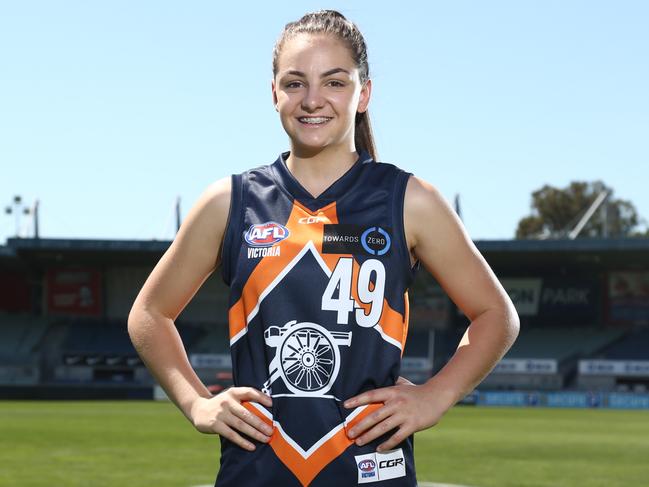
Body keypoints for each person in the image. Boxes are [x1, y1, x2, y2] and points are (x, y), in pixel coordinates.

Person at [127, 9, 519, 487]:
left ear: (364, 93)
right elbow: (149, 314)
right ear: (274, 93)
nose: (312, 99)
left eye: (334, 82)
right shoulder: (230, 203)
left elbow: (496, 316)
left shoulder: (409, 201)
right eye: (294, 83)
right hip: (256, 472)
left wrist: (433, 397)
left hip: (374, 473)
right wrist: (196, 402)